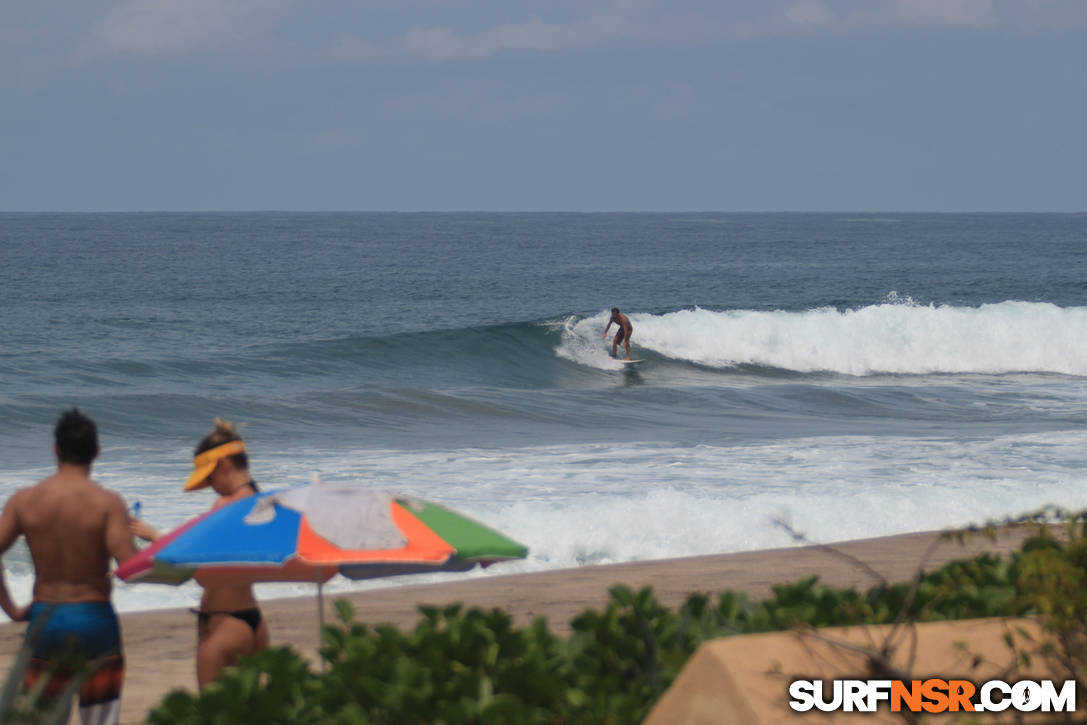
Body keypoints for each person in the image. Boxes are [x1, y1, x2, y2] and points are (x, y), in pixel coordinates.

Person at [0, 408, 137, 725]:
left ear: (56, 450)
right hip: (95, 621)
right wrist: (163, 549)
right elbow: (130, 567)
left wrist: (11, 609)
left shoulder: (24, 501)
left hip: (47, 620)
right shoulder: (107, 503)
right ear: (97, 452)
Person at [130, 419, 269, 689]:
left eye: (210, 477)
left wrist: (153, 537)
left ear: (224, 465)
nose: (210, 485)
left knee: (212, 713)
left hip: (224, 622)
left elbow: (204, 566)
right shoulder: (259, 501)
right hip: (253, 620)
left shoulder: (226, 504)